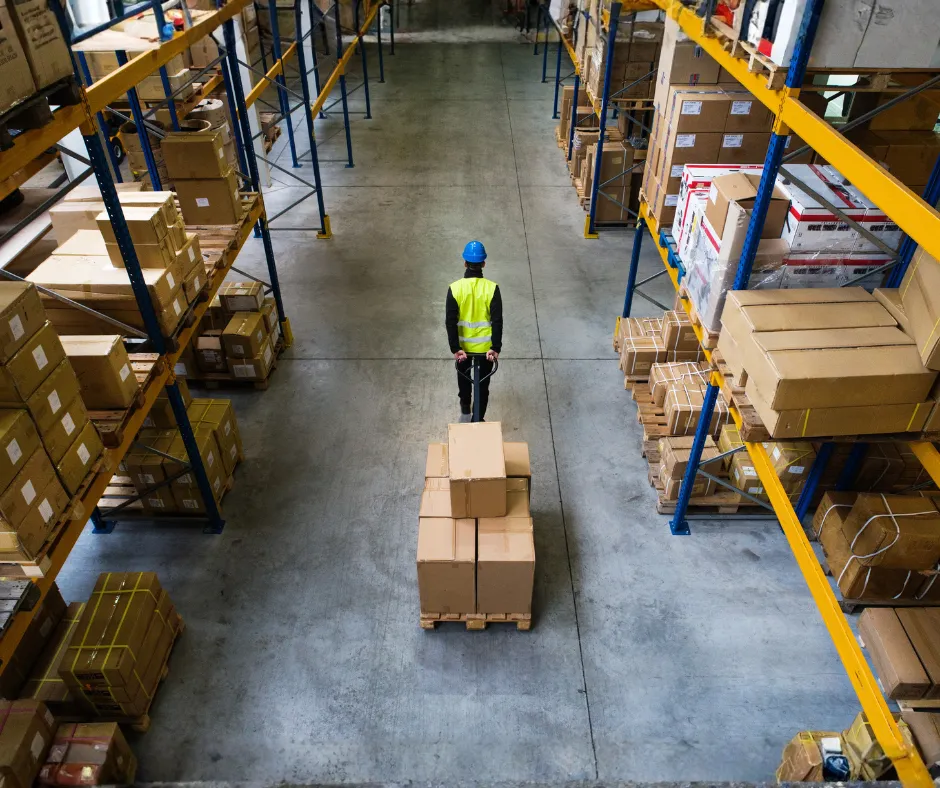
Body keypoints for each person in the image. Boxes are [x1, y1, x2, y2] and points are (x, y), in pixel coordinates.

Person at [445, 240, 502, 420]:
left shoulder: (454, 289)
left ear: (465, 262)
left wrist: (455, 348)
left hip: (463, 349)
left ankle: (464, 404)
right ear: (483, 263)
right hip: (485, 350)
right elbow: (497, 321)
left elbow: (450, 321)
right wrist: (495, 347)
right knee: (482, 386)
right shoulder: (492, 289)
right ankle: (478, 418)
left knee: (464, 378)